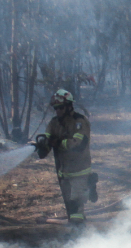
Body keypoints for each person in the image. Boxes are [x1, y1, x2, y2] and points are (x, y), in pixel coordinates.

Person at [35, 89, 95, 224]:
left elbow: (79, 145)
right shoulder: (54, 123)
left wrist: (58, 143)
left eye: (61, 107)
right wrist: (42, 147)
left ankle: (77, 232)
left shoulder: (79, 122)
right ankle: (77, 230)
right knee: (70, 208)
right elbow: (47, 142)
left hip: (80, 172)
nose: (58, 111)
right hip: (64, 173)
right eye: (56, 108)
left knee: (76, 207)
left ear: (69, 106)